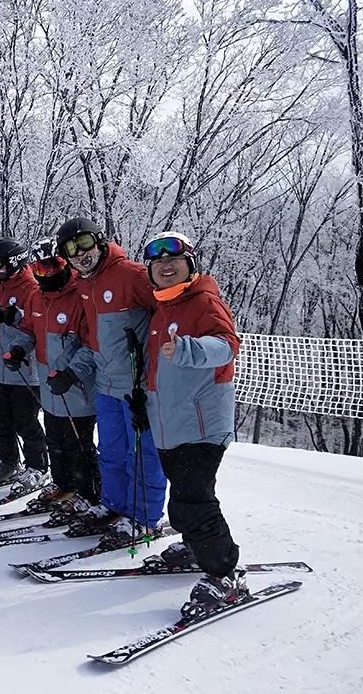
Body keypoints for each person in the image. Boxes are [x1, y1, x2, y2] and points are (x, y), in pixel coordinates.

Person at [138, 231, 245, 614]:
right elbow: (155, 366)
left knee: (195, 499)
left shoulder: (203, 302)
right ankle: (196, 547)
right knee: (181, 499)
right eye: (158, 263)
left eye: (175, 261)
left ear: (190, 265)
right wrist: (143, 394)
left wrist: (189, 348)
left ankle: (225, 573)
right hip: (169, 423)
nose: (167, 267)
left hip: (202, 424)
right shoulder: (160, 308)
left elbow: (226, 345)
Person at [52, 216, 166, 546]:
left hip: (137, 388)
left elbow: (167, 317)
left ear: (100, 241)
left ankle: (144, 518)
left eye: (85, 243)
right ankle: (114, 506)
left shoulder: (131, 275)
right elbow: (95, 341)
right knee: (111, 452)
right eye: (70, 249)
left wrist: (153, 377)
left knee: (143, 455)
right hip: (106, 385)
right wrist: (74, 372)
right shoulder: (82, 286)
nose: (79, 253)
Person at [5, 236, 99, 516]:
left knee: (78, 444)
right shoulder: (37, 296)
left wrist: (72, 373)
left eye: (52, 267)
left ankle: (89, 493)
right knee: (55, 441)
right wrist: (18, 350)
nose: (47, 274)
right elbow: (29, 330)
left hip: (77, 389)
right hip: (50, 387)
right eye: (40, 270)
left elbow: (91, 343)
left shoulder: (81, 296)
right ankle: (63, 484)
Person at [0, 237, 48, 489]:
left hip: (26, 367)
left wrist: (14, 316)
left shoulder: (32, 288)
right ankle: (8, 461)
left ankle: (37, 465)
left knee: (26, 421)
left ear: (15, 262)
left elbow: (39, 323)